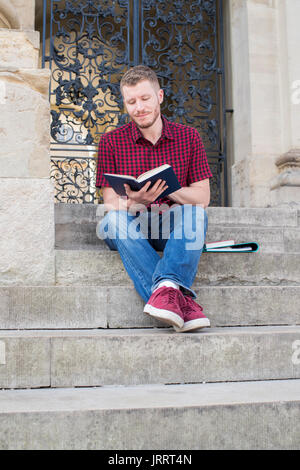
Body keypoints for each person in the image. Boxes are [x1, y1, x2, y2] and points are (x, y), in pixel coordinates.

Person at [96, 65, 213, 332]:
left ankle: (165, 292)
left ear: (159, 96)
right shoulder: (111, 141)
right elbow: (111, 202)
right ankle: (178, 296)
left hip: (169, 225)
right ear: (125, 104)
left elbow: (202, 197)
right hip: (131, 225)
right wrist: (137, 200)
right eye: (131, 101)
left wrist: (168, 189)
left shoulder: (189, 137)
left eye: (145, 98)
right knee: (112, 220)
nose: (139, 107)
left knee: (195, 213)